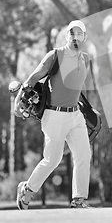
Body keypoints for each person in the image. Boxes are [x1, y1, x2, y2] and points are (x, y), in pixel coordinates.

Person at [15, 20, 93, 209]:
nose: (75, 37)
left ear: (84, 37)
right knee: (53, 159)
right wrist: (18, 102)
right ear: (67, 36)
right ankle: (27, 190)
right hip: (54, 115)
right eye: (72, 33)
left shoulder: (86, 59)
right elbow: (33, 78)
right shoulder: (55, 55)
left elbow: (76, 88)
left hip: (75, 115)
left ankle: (79, 199)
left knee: (84, 155)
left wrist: (89, 110)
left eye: (79, 34)